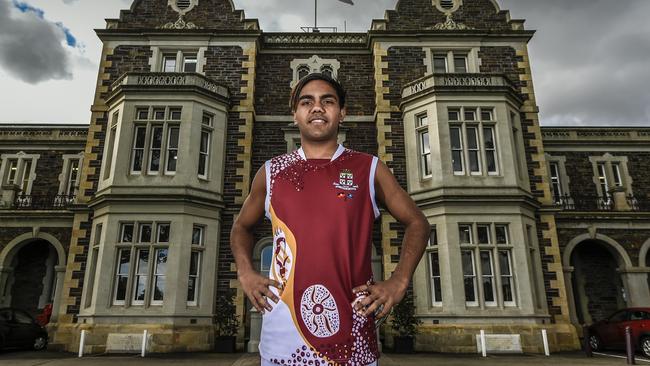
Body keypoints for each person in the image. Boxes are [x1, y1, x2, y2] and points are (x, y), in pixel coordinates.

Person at [230, 73, 429, 365]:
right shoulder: (271, 172)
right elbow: (241, 228)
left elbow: (418, 223)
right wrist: (246, 273)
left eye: (328, 101)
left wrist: (399, 280)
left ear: (342, 113)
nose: (317, 108)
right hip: (282, 341)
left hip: (353, 340)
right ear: (295, 114)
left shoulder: (369, 168)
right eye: (306, 101)